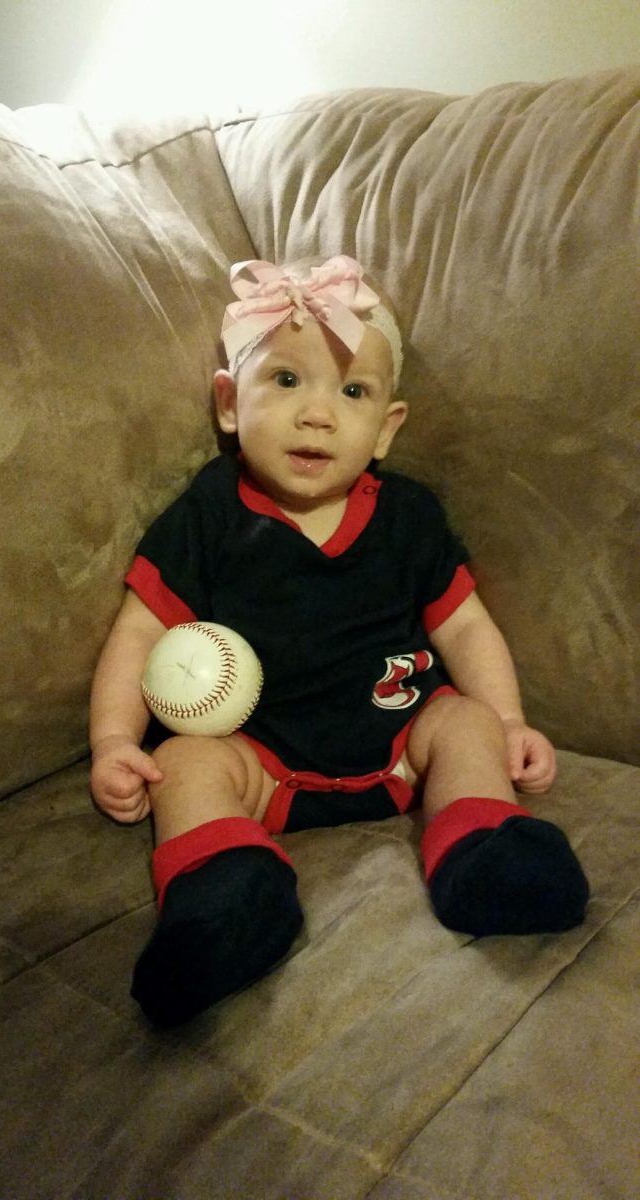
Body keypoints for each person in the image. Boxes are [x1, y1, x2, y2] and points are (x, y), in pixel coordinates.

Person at [90, 255, 589, 1027]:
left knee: (465, 723)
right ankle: (225, 894)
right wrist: (113, 740)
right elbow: (139, 628)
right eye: (285, 381)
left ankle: (483, 852)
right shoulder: (209, 513)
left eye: (351, 391)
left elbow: (462, 623)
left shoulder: (409, 518)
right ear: (228, 404)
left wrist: (510, 720)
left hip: (400, 749)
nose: (317, 414)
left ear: (386, 425)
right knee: (182, 762)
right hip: (259, 765)